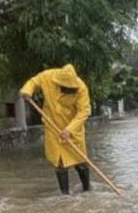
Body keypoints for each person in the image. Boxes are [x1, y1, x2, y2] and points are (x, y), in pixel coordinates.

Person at [20, 64, 92, 194]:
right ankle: (65, 195)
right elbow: (33, 82)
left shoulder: (81, 88)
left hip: (73, 129)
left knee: (80, 160)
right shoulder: (48, 76)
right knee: (59, 163)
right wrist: (27, 90)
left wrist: (69, 130)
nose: (69, 90)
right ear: (59, 84)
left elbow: (84, 111)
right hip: (53, 127)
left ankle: (87, 190)